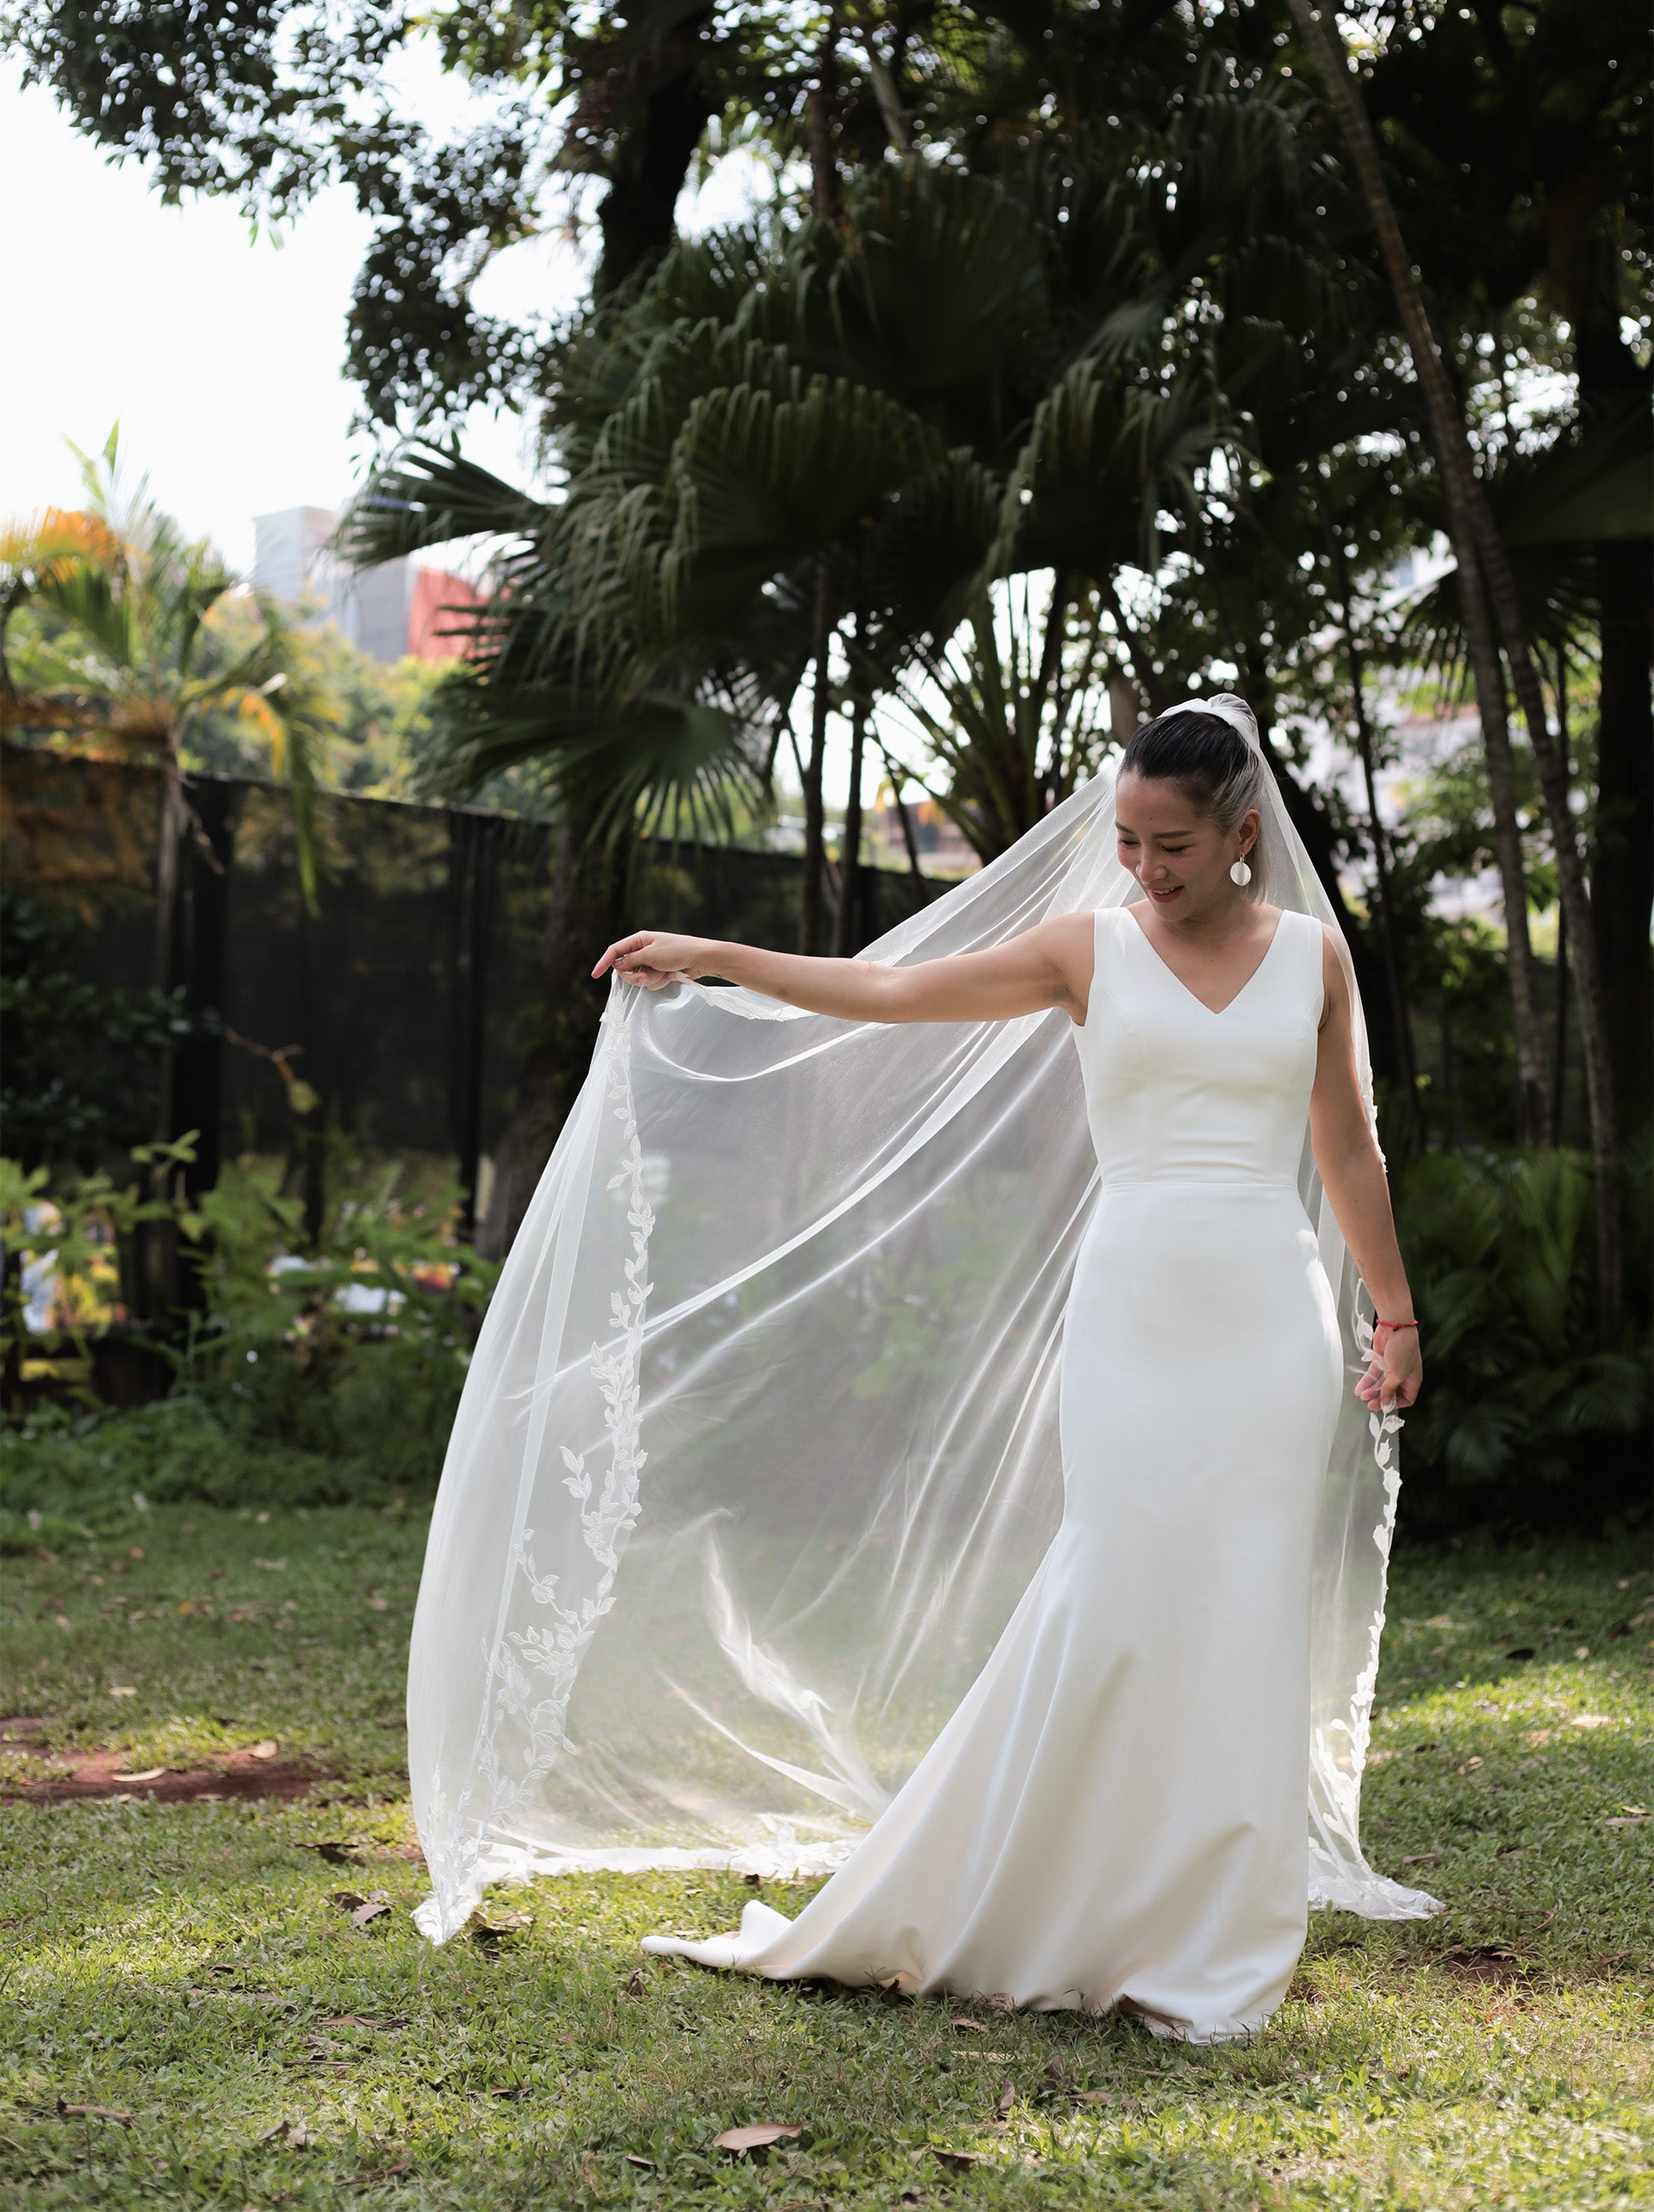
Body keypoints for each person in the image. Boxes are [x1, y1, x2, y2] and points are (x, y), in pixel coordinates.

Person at [579, 701, 1423, 2042]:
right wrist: (718, 958)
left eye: (1172, 845)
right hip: (1135, 1311)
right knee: (1116, 1586)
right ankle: (1060, 1887)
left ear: (1242, 832)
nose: (1144, 867)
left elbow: (1349, 1147)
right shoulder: (1087, 951)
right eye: (1129, 841)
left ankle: (1218, 1924)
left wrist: (1395, 1311)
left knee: (1246, 1603)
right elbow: (890, 993)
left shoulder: (1314, 959)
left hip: (1271, 1319)